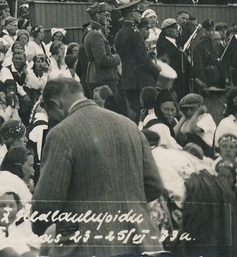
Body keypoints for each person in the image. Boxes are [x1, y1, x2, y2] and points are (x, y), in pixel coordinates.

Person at [31, 77, 164, 256]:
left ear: (54, 104)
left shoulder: (61, 134)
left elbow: (45, 206)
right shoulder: (130, 126)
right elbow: (154, 186)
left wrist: (42, 226)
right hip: (139, 241)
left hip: (88, 246)